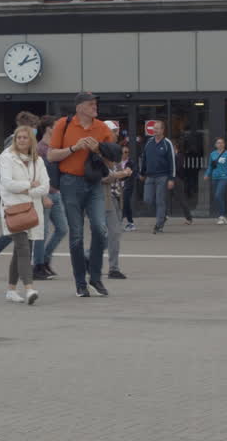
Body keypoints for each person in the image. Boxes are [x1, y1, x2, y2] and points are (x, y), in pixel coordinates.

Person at [46, 92, 113, 298]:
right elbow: (51, 155)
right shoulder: (63, 125)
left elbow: (111, 163)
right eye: (90, 103)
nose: (95, 106)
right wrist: (74, 148)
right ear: (79, 107)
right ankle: (80, 283)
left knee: (101, 230)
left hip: (94, 184)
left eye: (95, 103)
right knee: (76, 235)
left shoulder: (102, 128)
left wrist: (99, 150)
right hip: (70, 182)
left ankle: (95, 277)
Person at [0, 111, 42, 279]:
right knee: (16, 229)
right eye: (33, 127)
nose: (35, 131)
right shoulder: (12, 143)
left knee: (17, 230)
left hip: (23, 192)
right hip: (15, 194)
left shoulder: (24, 143)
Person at [0, 126, 47, 305]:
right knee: (23, 248)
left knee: (21, 250)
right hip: (13, 208)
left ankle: (11, 290)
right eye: (18, 137)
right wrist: (29, 186)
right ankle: (29, 288)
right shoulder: (6, 159)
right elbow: (8, 183)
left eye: (25, 137)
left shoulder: (38, 160)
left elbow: (45, 187)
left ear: (31, 141)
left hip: (32, 209)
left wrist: (28, 191)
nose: (21, 140)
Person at [32, 116, 67, 280]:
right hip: (44, 195)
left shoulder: (54, 147)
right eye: (55, 126)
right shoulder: (39, 148)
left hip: (56, 193)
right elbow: (36, 174)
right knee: (42, 231)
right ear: (48, 128)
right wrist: (43, 194)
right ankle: (37, 266)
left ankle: (45, 259)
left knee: (62, 229)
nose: (59, 128)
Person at [100, 139, 132, 280]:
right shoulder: (100, 161)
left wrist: (124, 173)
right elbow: (104, 178)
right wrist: (122, 174)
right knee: (114, 232)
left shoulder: (116, 163)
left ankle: (89, 255)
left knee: (114, 234)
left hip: (117, 198)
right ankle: (113, 268)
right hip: (107, 199)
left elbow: (118, 176)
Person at [139, 121, 176, 234]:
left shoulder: (167, 143)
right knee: (147, 199)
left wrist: (171, 178)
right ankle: (163, 215)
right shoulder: (149, 142)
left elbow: (172, 162)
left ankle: (159, 225)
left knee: (160, 200)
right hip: (150, 176)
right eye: (154, 128)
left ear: (162, 130)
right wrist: (142, 173)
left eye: (157, 129)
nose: (155, 131)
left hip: (163, 176)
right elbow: (144, 158)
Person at [204, 137, 227, 224]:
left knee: (218, 195)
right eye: (218, 143)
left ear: (224, 144)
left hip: (224, 178)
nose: (220, 144)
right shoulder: (213, 154)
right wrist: (207, 174)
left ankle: (222, 215)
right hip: (214, 178)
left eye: (221, 143)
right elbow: (210, 166)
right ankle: (223, 215)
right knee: (218, 197)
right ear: (215, 145)